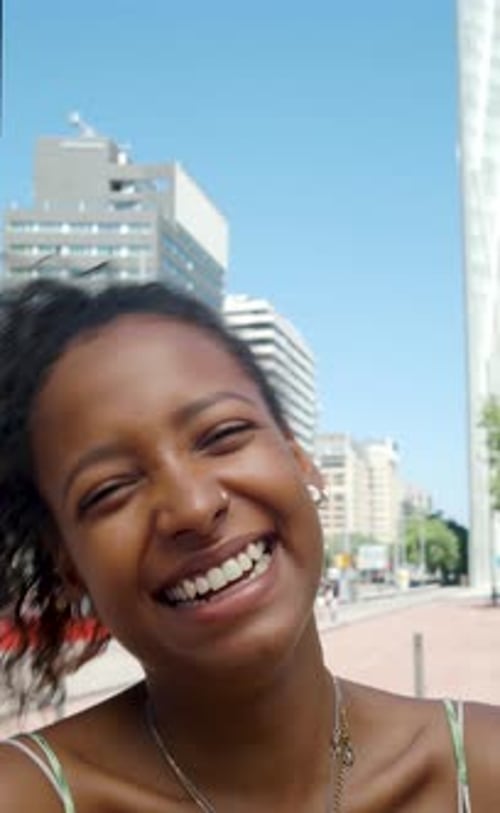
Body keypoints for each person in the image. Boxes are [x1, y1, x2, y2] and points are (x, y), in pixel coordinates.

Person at [0, 278, 498, 813]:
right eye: (110, 490)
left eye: (223, 435)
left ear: (299, 458)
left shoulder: (481, 766)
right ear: (68, 562)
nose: (192, 507)